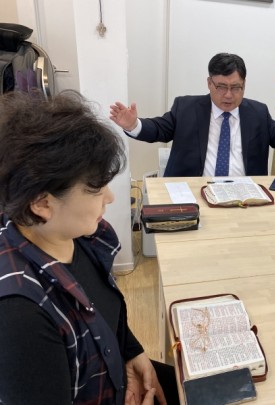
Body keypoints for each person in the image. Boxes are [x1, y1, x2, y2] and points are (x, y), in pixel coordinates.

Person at [0, 91, 179, 405]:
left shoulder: (80, 236)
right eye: (95, 189)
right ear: (42, 203)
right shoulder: (20, 316)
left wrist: (132, 351)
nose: (110, 197)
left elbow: (102, 313)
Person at [109, 52, 275, 177]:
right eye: (221, 87)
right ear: (209, 83)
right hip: (194, 190)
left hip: (245, 193)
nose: (229, 95)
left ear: (244, 85)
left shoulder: (257, 112)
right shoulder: (186, 107)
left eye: (236, 87)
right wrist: (133, 125)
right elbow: (159, 129)